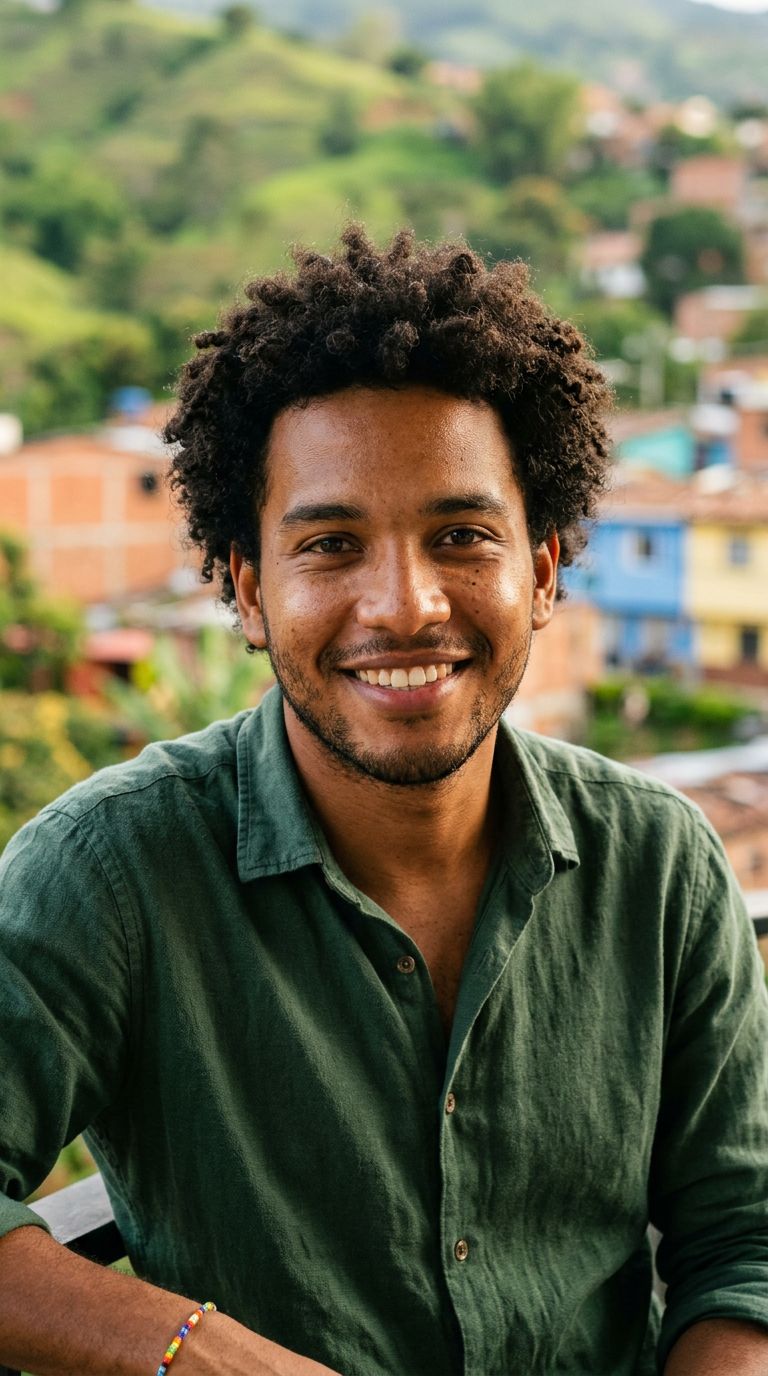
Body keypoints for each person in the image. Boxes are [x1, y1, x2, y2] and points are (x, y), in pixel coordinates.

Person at [1, 225, 768, 1376]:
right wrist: (193, 1347)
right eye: (331, 544)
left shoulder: (660, 866)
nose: (403, 603)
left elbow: (739, 1237)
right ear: (248, 589)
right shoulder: (112, 869)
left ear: (545, 568)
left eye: (461, 535)